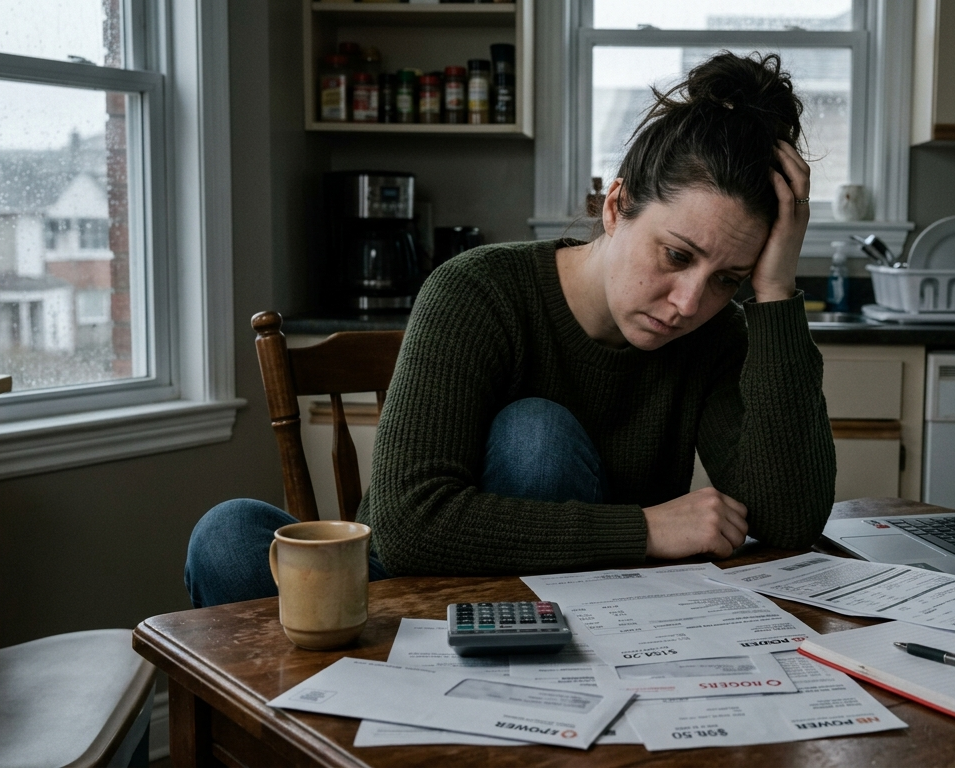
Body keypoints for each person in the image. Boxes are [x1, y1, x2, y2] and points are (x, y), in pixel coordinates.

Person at [184, 52, 835, 607]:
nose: (689, 303)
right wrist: (645, 530)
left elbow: (789, 523)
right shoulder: (478, 291)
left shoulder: (715, 335)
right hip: (413, 589)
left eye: (729, 279)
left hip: (589, 612)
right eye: (676, 255)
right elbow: (407, 528)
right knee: (226, 536)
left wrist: (776, 293)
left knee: (534, 435)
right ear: (616, 207)